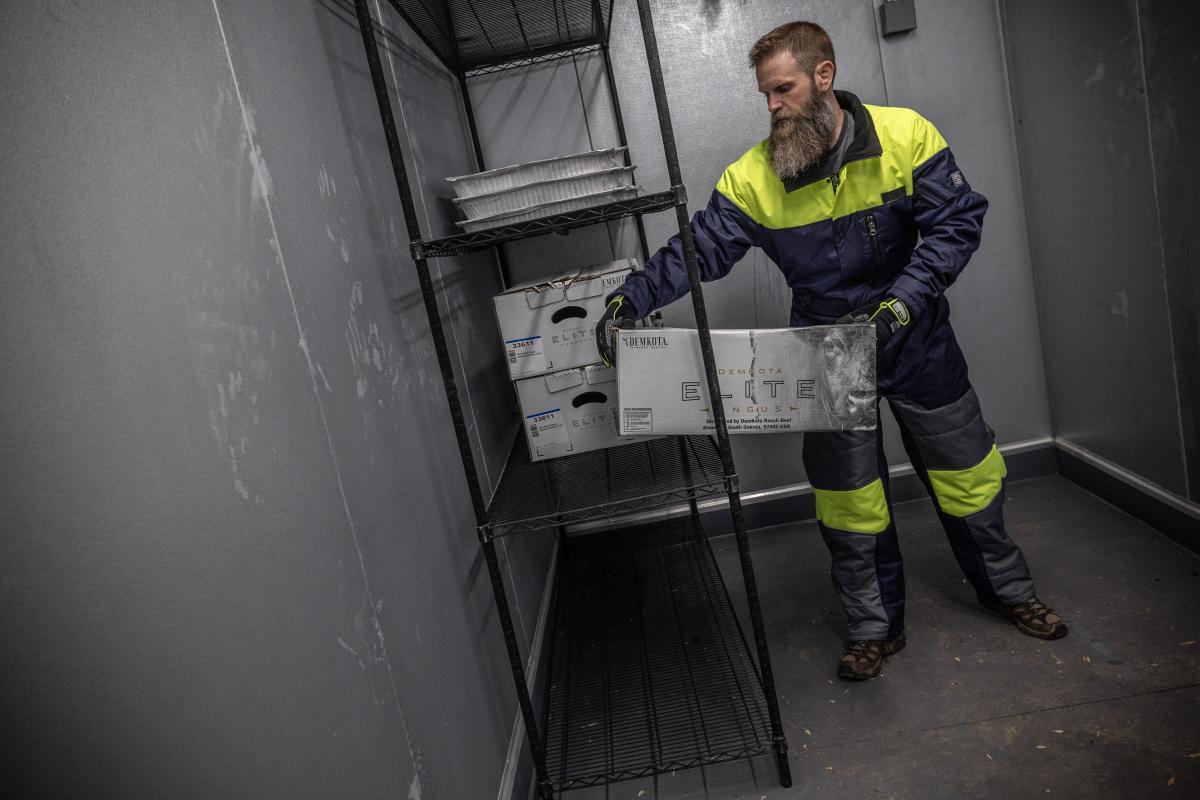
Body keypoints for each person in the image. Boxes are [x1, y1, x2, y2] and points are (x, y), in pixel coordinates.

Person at [595, 21, 1066, 681]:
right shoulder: (755, 175)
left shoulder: (906, 135)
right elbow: (700, 247)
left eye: (782, 89)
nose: (772, 106)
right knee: (849, 500)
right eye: (765, 94)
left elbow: (958, 221)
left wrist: (901, 302)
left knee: (968, 475)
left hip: (916, 335)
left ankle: (1010, 591)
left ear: (823, 76)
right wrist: (632, 297)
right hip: (826, 351)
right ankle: (875, 630)